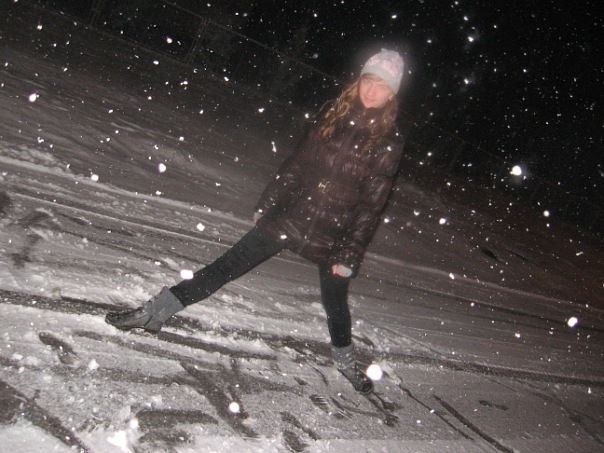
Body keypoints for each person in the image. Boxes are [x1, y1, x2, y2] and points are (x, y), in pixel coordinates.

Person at [105, 49, 405, 395]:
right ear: (359, 82)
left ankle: (345, 361)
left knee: (335, 302)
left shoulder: (389, 142)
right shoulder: (331, 115)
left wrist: (350, 254)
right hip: (293, 214)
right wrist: (269, 202)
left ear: (391, 95)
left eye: (382, 86)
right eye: (369, 81)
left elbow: (371, 206)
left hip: (335, 233)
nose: (372, 91)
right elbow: (297, 164)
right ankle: (154, 313)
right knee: (225, 267)